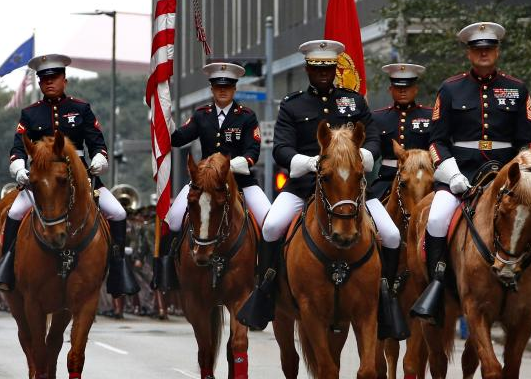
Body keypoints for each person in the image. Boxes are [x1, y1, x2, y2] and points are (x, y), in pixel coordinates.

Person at [238, 39, 398, 331]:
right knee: (272, 227)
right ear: (308, 69)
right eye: (317, 68)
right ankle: (265, 290)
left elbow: (373, 137)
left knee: (391, 234)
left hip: (351, 188)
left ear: (336, 68)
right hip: (306, 186)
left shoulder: (355, 101)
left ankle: (387, 297)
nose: (323, 73)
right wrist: (308, 162)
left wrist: (362, 156)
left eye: (328, 68)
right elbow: (281, 148)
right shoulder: (292, 105)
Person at [412, 22, 531, 324]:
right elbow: (437, 140)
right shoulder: (450, 89)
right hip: (461, 175)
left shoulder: (517, 89)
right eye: (478, 49)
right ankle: (438, 284)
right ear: (469, 53)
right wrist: (451, 173)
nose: (484, 54)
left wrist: (525, 162)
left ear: (497, 51)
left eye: (489, 48)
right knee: (438, 217)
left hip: (510, 176)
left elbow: (525, 140)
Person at [0, 53, 136, 297]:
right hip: (42, 180)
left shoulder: (81, 108)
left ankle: (117, 269)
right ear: (39, 83)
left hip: (80, 177)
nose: (49, 82)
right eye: (44, 79)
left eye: (54, 77)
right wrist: (19, 168)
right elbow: (18, 147)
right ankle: (6, 266)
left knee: (118, 212)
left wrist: (100, 159)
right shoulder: (30, 113)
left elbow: (97, 143)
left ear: (64, 80)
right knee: (14, 212)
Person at [154, 62, 269, 286]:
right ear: (212, 89)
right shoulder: (201, 115)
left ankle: (267, 276)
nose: (222, 90)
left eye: (227, 86)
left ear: (235, 89)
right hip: (204, 183)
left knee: (268, 221)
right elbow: (178, 139)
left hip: (241, 181)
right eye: (218, 87)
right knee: (174, 220)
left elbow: (252, 152)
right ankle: (169, 276)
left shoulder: (246, 116)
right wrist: (164, 118)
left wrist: (228, 166)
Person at [368, 63, 433, 201]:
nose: (403, 91)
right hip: (387, 181)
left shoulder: (430, 115)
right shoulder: (377, 117)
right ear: (390, 90)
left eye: (407, 87)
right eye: (398, 87)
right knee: (368, 211)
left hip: (423, 179)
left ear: (416, 89)